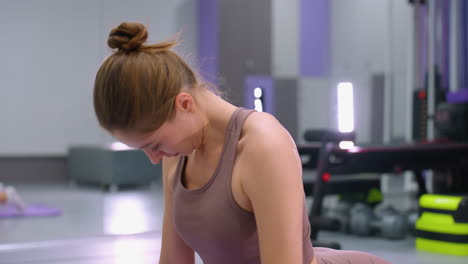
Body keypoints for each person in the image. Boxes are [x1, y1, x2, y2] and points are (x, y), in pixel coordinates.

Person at [93, 22, 392, 264]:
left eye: (154, 144)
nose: (153, 159)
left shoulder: (262, 145)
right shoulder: (178, 152)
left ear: (183, 105)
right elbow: (173, 259)